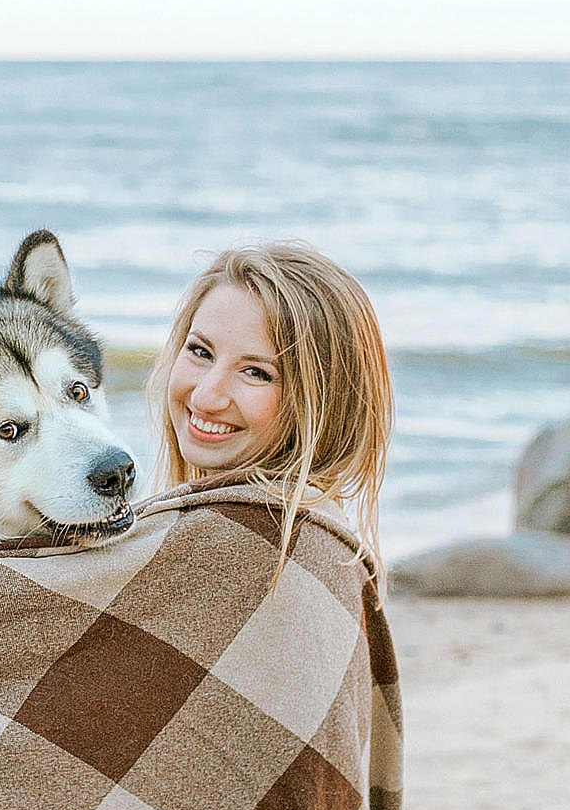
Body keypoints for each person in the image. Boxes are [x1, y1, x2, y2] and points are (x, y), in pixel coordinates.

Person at [145, 239, 393, 578]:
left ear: (322, 404)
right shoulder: (172, 537)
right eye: (201, 352)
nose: (205, 398)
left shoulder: (282, 553)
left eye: (256, 372)